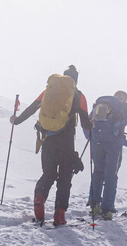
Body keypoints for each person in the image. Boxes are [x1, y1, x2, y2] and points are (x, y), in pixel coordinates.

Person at [11, 65, 92, 226]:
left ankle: (39, 197)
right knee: (65, 178)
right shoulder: (79, 95)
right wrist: (92, 125)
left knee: (48, 173)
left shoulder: (50, 90)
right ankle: (59, 214)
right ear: (76, 81)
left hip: (48, 139)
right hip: (66, 142)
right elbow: (85, 124)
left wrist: (17, 120)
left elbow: (32, 108)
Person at [87, 90, 127, 220]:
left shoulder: (101, 104)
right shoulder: (125, 107)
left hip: (97, 143)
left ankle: (94, 204)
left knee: (98, 172)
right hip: (114, 145)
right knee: (111, 176)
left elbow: (89, 121)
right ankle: (107, 209)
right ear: (125, 98)